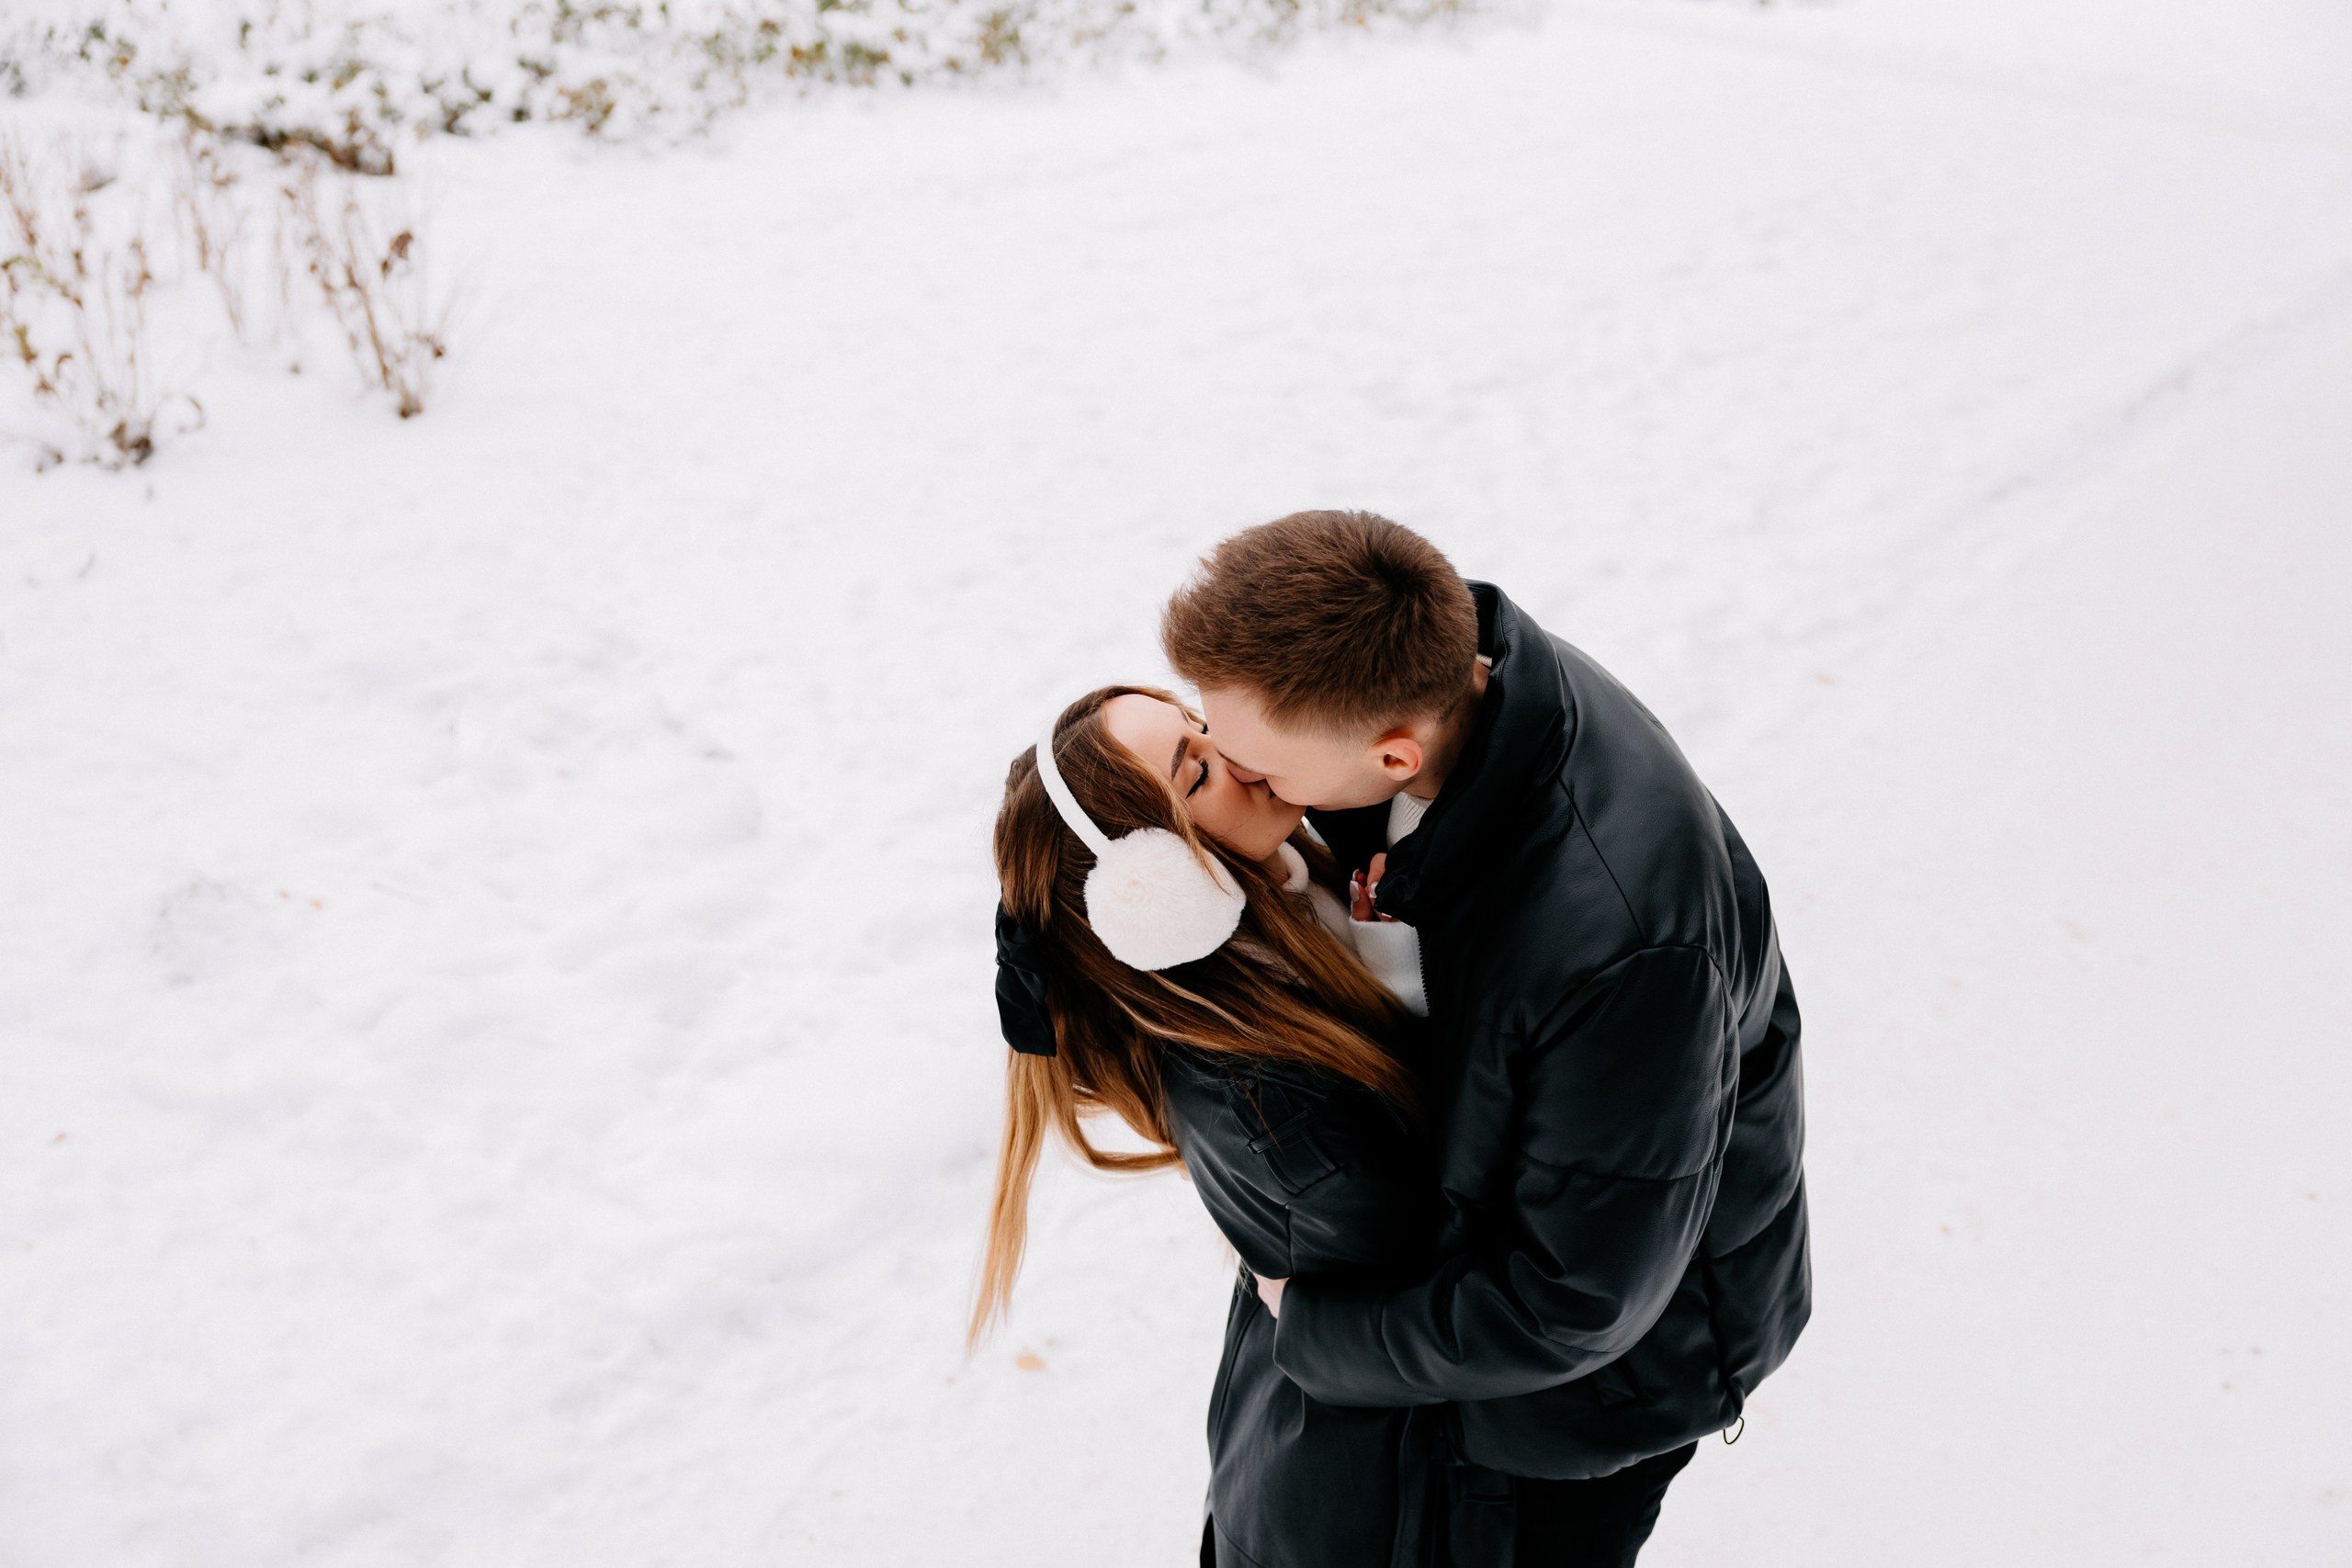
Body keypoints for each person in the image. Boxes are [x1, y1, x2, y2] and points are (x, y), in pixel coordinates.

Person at [1159, 512, 1811, 1568]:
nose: (1235, 779)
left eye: (1259, 769)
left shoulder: (1615, 948)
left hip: (1583, 1405)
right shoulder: (1433, 663)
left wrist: (1310, 1327)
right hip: (1505, 1287)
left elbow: (1573, 1304)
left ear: (1390, 753)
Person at [978, 684, 1512, 1568]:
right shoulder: (1280, 1119)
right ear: (1155, 889)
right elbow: (1463, 1277)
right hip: (1381, 1523)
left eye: (1197, 721)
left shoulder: (1295, 903)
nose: (1231, 744)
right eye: (1196, 769)